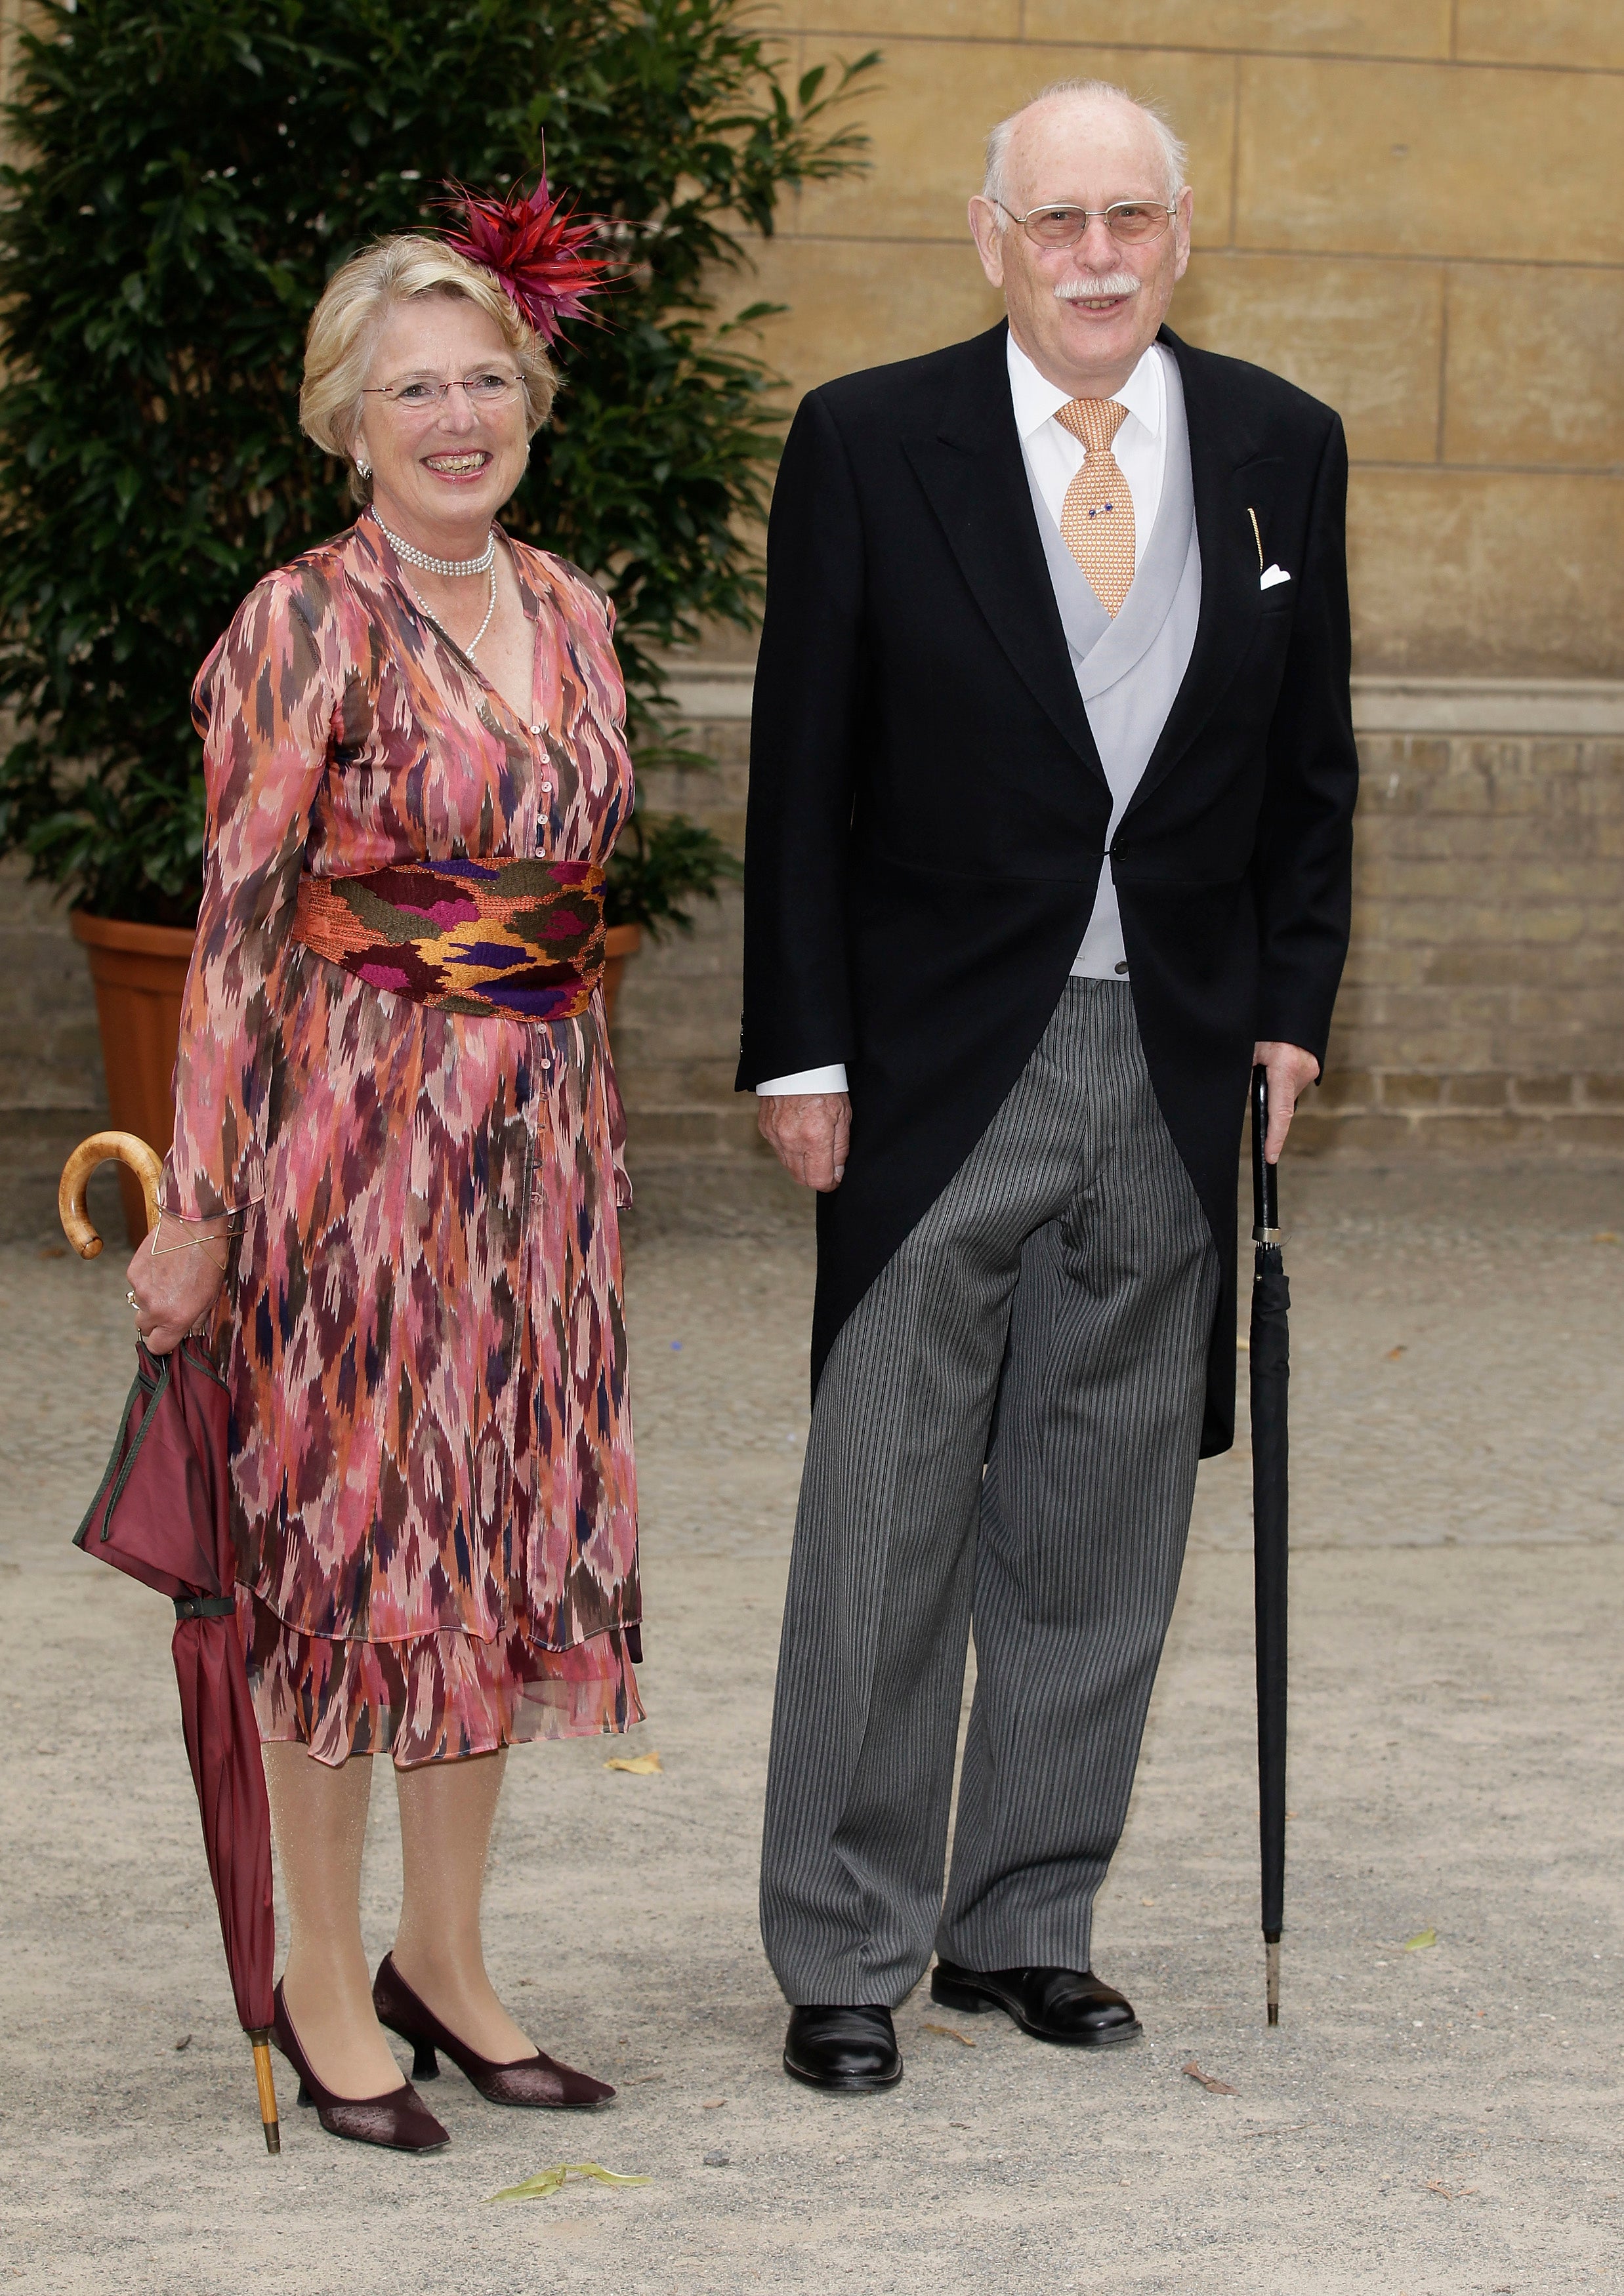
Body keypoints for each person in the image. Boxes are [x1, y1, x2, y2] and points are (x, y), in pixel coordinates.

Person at [739, 79, 1357, 2091]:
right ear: (991, 236)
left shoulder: (1278, 446)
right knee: (887, 1515)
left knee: (1098, 1520)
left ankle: (1025, 1918)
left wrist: (1288, 1003)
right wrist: (802, 1048)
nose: (1096, 255)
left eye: (1131, 219)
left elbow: (1306, 773)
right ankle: (844, 1944)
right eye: (1056, 220)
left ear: (1179, 234)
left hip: (1171, 1057)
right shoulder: (864, 441)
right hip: (931, 1061)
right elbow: (800, 777)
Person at [125, 186, 642, 2151]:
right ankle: (322, 1978)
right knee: (350, 1557)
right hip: (349, 1157)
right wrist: (197, 1202)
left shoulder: (579, 608)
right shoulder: (297, 622)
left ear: (529, 399)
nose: (453, 415)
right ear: (345, 420)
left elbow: (577, 891)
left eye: (482, 378)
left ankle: (449, 1954)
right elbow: (241, 924)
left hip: (544, 1159)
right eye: (409, 387)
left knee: (498, 1544)